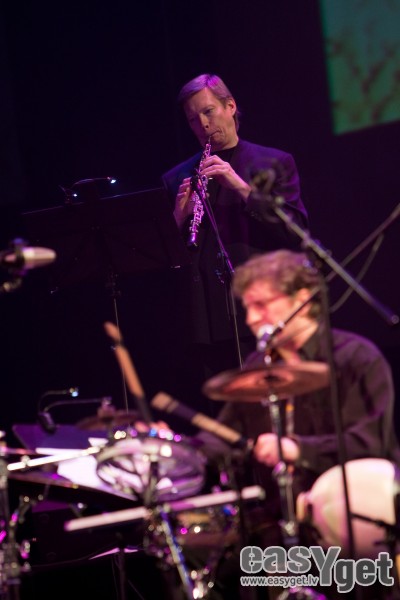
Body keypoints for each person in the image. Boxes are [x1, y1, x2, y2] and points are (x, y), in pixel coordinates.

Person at [194, 248, 400, 600]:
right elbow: (223, 440)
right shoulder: (258, 368)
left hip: (358, 520)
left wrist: (297, 449)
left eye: (261, 305)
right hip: (282, 526)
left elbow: (369, 442)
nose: (250, 319)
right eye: (247, 308)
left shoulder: (355, 357)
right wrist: (175, 451)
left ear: (302, 300)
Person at [162, 74, 309, 414]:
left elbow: (297, 232)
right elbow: (165, 259)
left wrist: (240, 186)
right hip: (207, 321)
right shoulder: (176, 178)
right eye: (192, 119)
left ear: (230, 106)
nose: (202, 124)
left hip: (264, 309)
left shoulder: (273, 163)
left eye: (209, 111)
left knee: (277, 413)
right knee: (226, 420)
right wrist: (178, 219)